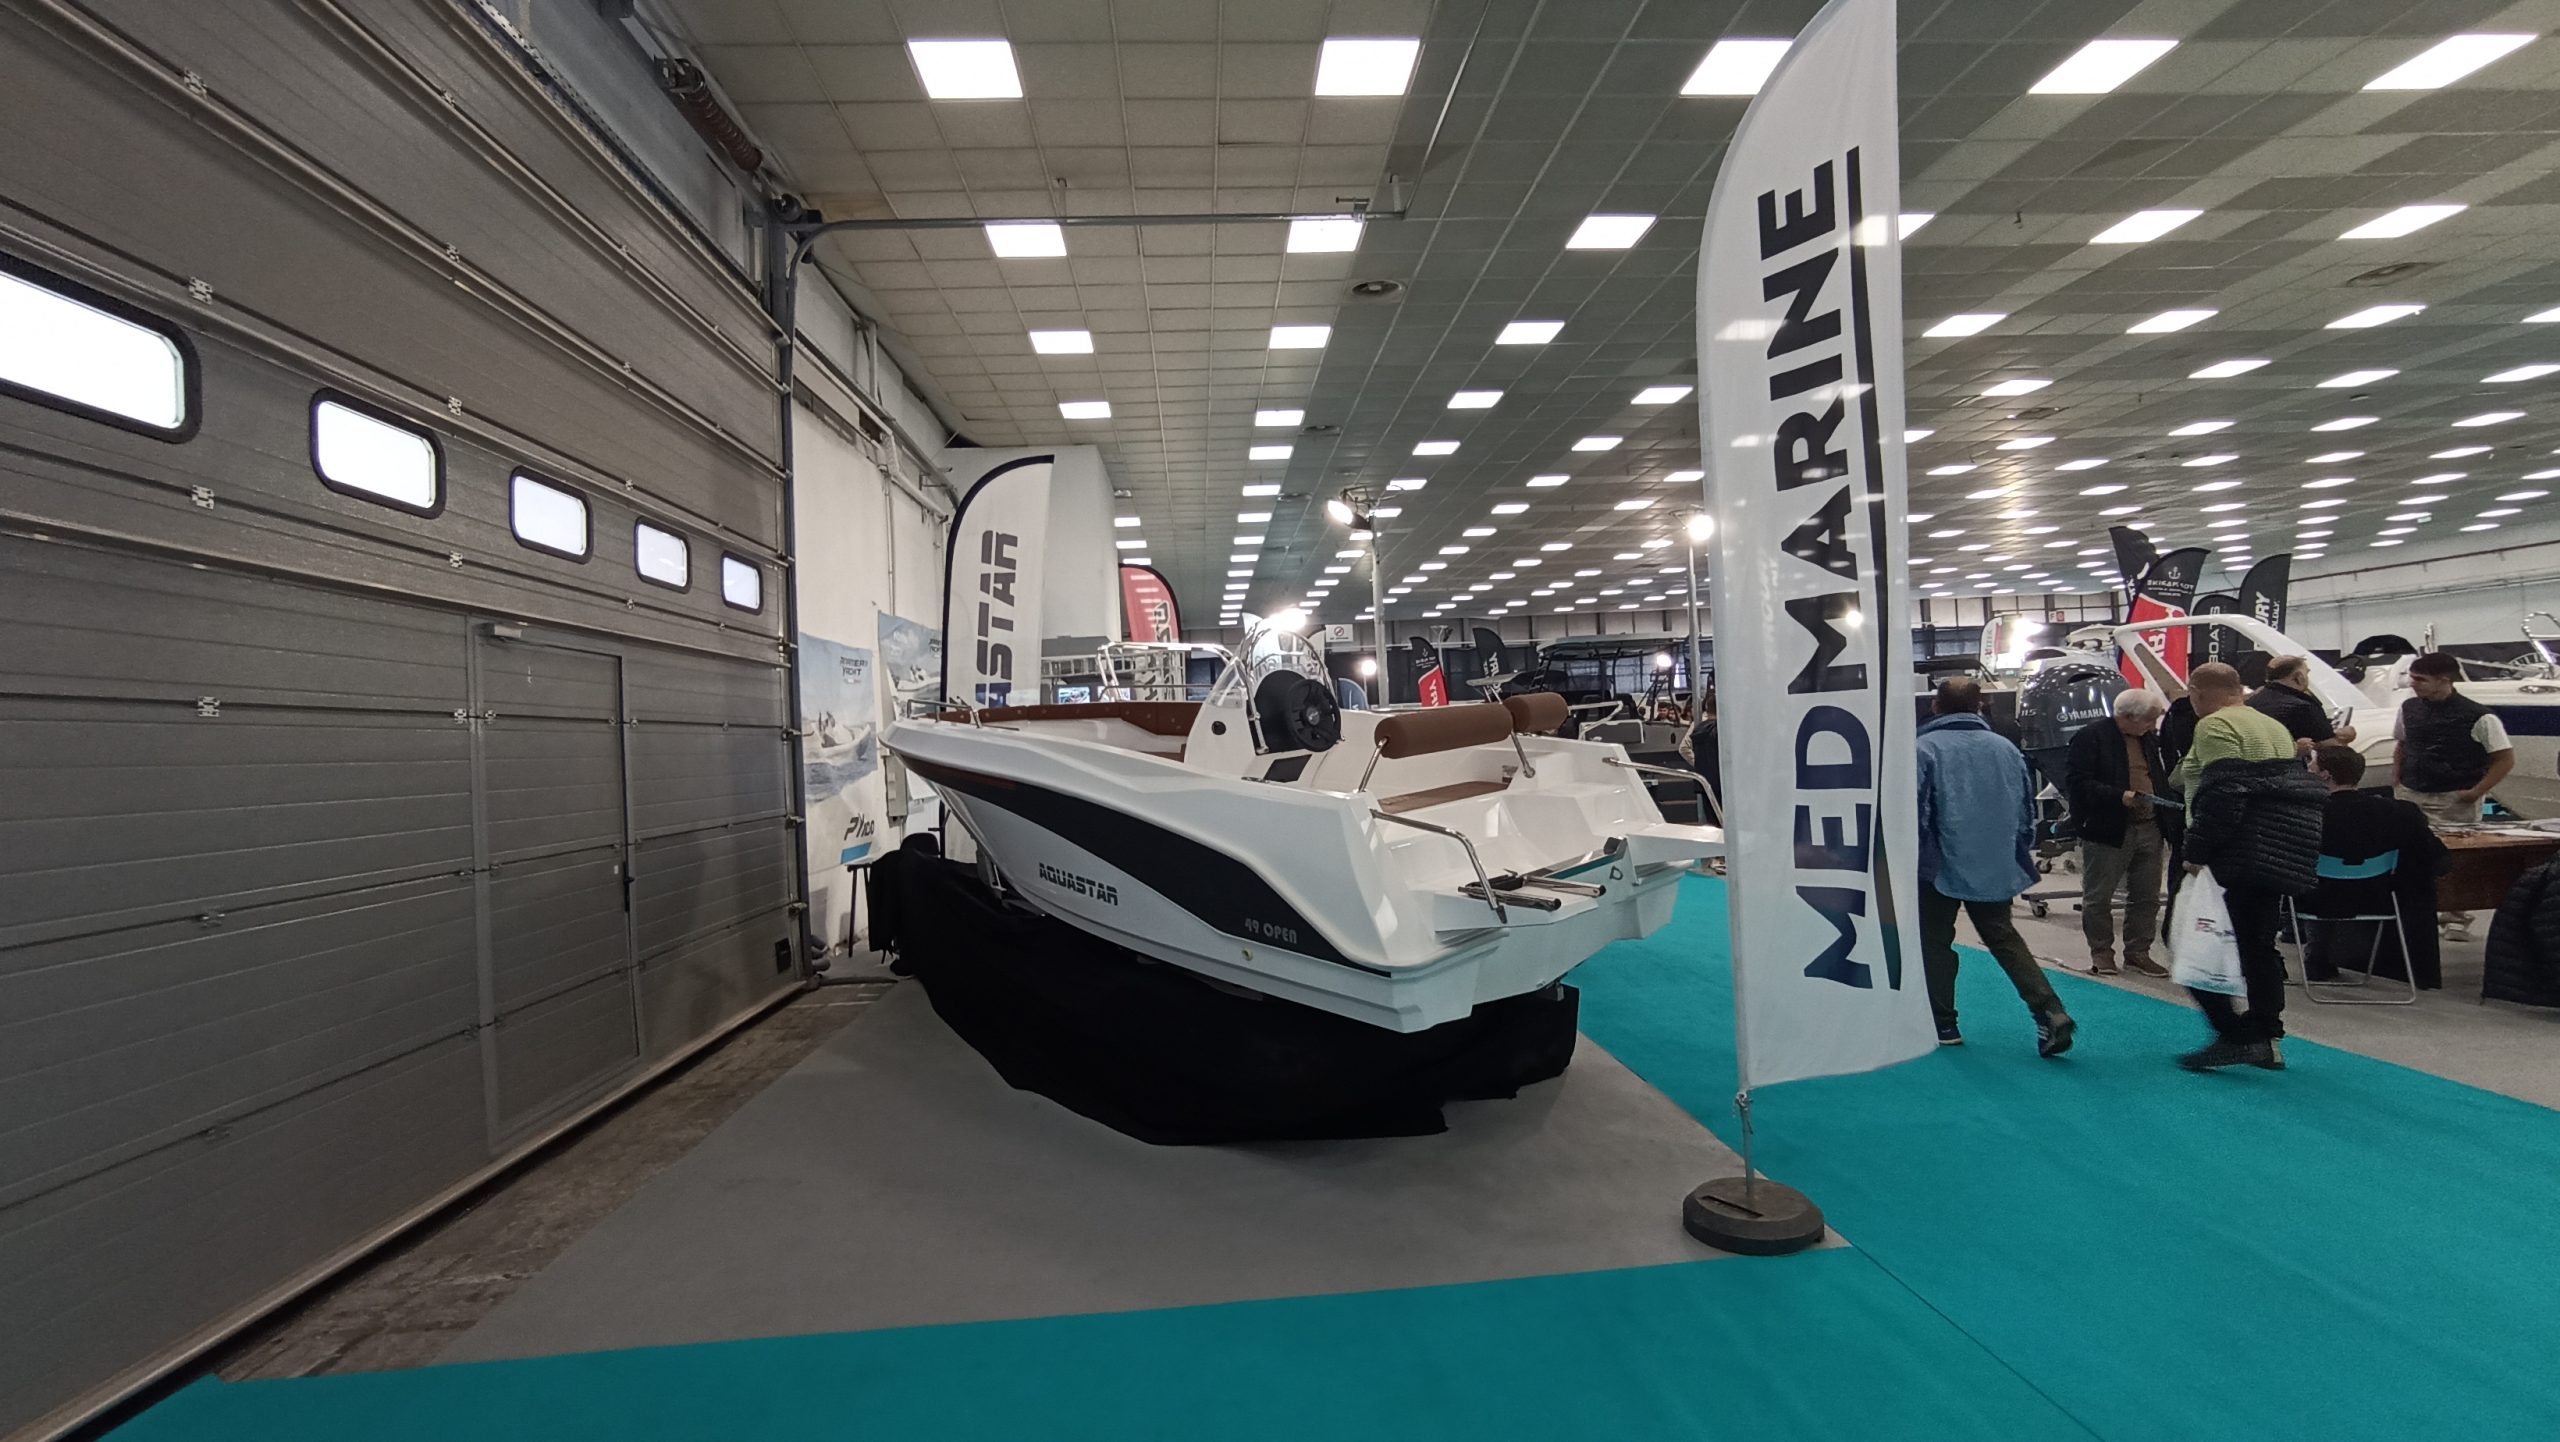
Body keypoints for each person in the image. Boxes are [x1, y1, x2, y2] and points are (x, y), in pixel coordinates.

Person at [2174, 662, 2325, 1071]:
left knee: (2190, 941)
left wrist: (2197, 850)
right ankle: (2266, 1035)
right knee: (2259, 947)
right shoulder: (2273, 727)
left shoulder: (2214, 726)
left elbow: (2225, 795)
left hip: (2233, 853)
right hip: (2276, 850)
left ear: (2197, 692)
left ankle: (2235, 1035)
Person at [1916, 677, 2076, 1057]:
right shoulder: (2005, 749)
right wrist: (2015, 853)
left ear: (1936, 706)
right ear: (1980, 707)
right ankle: (2049, 1010)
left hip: (1938, 867)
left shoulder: (1924, 749)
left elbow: (1917, 811)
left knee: (1934, 942)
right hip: (1994, 862)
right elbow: (2025, 811)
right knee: (2004, 938)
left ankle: (1943, 1023)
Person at [2394, 651, 2517, 937]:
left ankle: (2457, 916)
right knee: (2409, 854)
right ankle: (2416, 908)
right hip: (2410, 794)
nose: (2413, 684)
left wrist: (2477, 792)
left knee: (2457, 860)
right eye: (2412, 678)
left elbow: (2504, 759)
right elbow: (2402, 745)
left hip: (2455, 798)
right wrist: (2396, 780)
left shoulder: (2480, 716)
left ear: (2444, 680)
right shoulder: (2408, 708)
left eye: (2420, 679)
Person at [2306, 744, 2447, 988]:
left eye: (2311, 764)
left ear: (2325, 775)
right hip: (2381, 897)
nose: (2307, 768)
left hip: (2319, 900)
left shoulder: (2309, 814)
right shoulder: (2401, 812)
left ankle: (2316, 958)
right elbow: (2437, 858)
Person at [2065, 688, 2174, 977]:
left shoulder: (2148, 739)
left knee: (2147, 896)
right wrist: (2119, 796)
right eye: (2148, 720)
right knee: (2099, 896)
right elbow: (2077, 783)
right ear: (2128, 716)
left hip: (2150, 826)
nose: (2152, 726)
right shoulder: (2091, 737)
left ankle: (2138, 953)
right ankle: (2101, 953)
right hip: (2108, 828)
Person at [2247, 654, 2355, 755]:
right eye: (2307, 673)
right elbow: (2332, 750)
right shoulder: (2303, 708)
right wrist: (2343, 739)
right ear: (2299, 677)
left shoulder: (2251, 702)